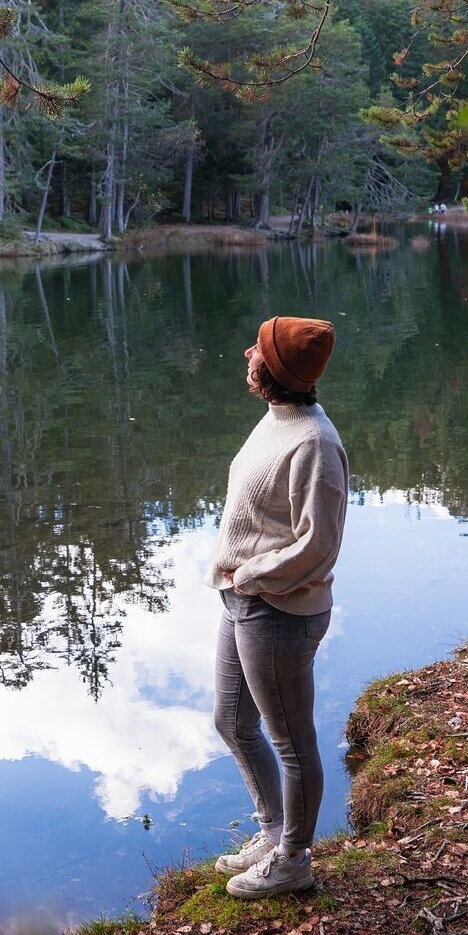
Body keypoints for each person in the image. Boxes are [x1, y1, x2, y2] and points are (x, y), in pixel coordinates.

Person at [209, 316, 350, 899]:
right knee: (232, 723)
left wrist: (251, 574)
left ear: (273, 369)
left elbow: (319, 544)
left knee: (292, 742)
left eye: (258, 349)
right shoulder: (277, 419)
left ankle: (294, 859)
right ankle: (273, 832)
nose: (248, 352)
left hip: (279, 609)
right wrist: (238, 578)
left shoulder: (315, 443)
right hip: (243, 598)